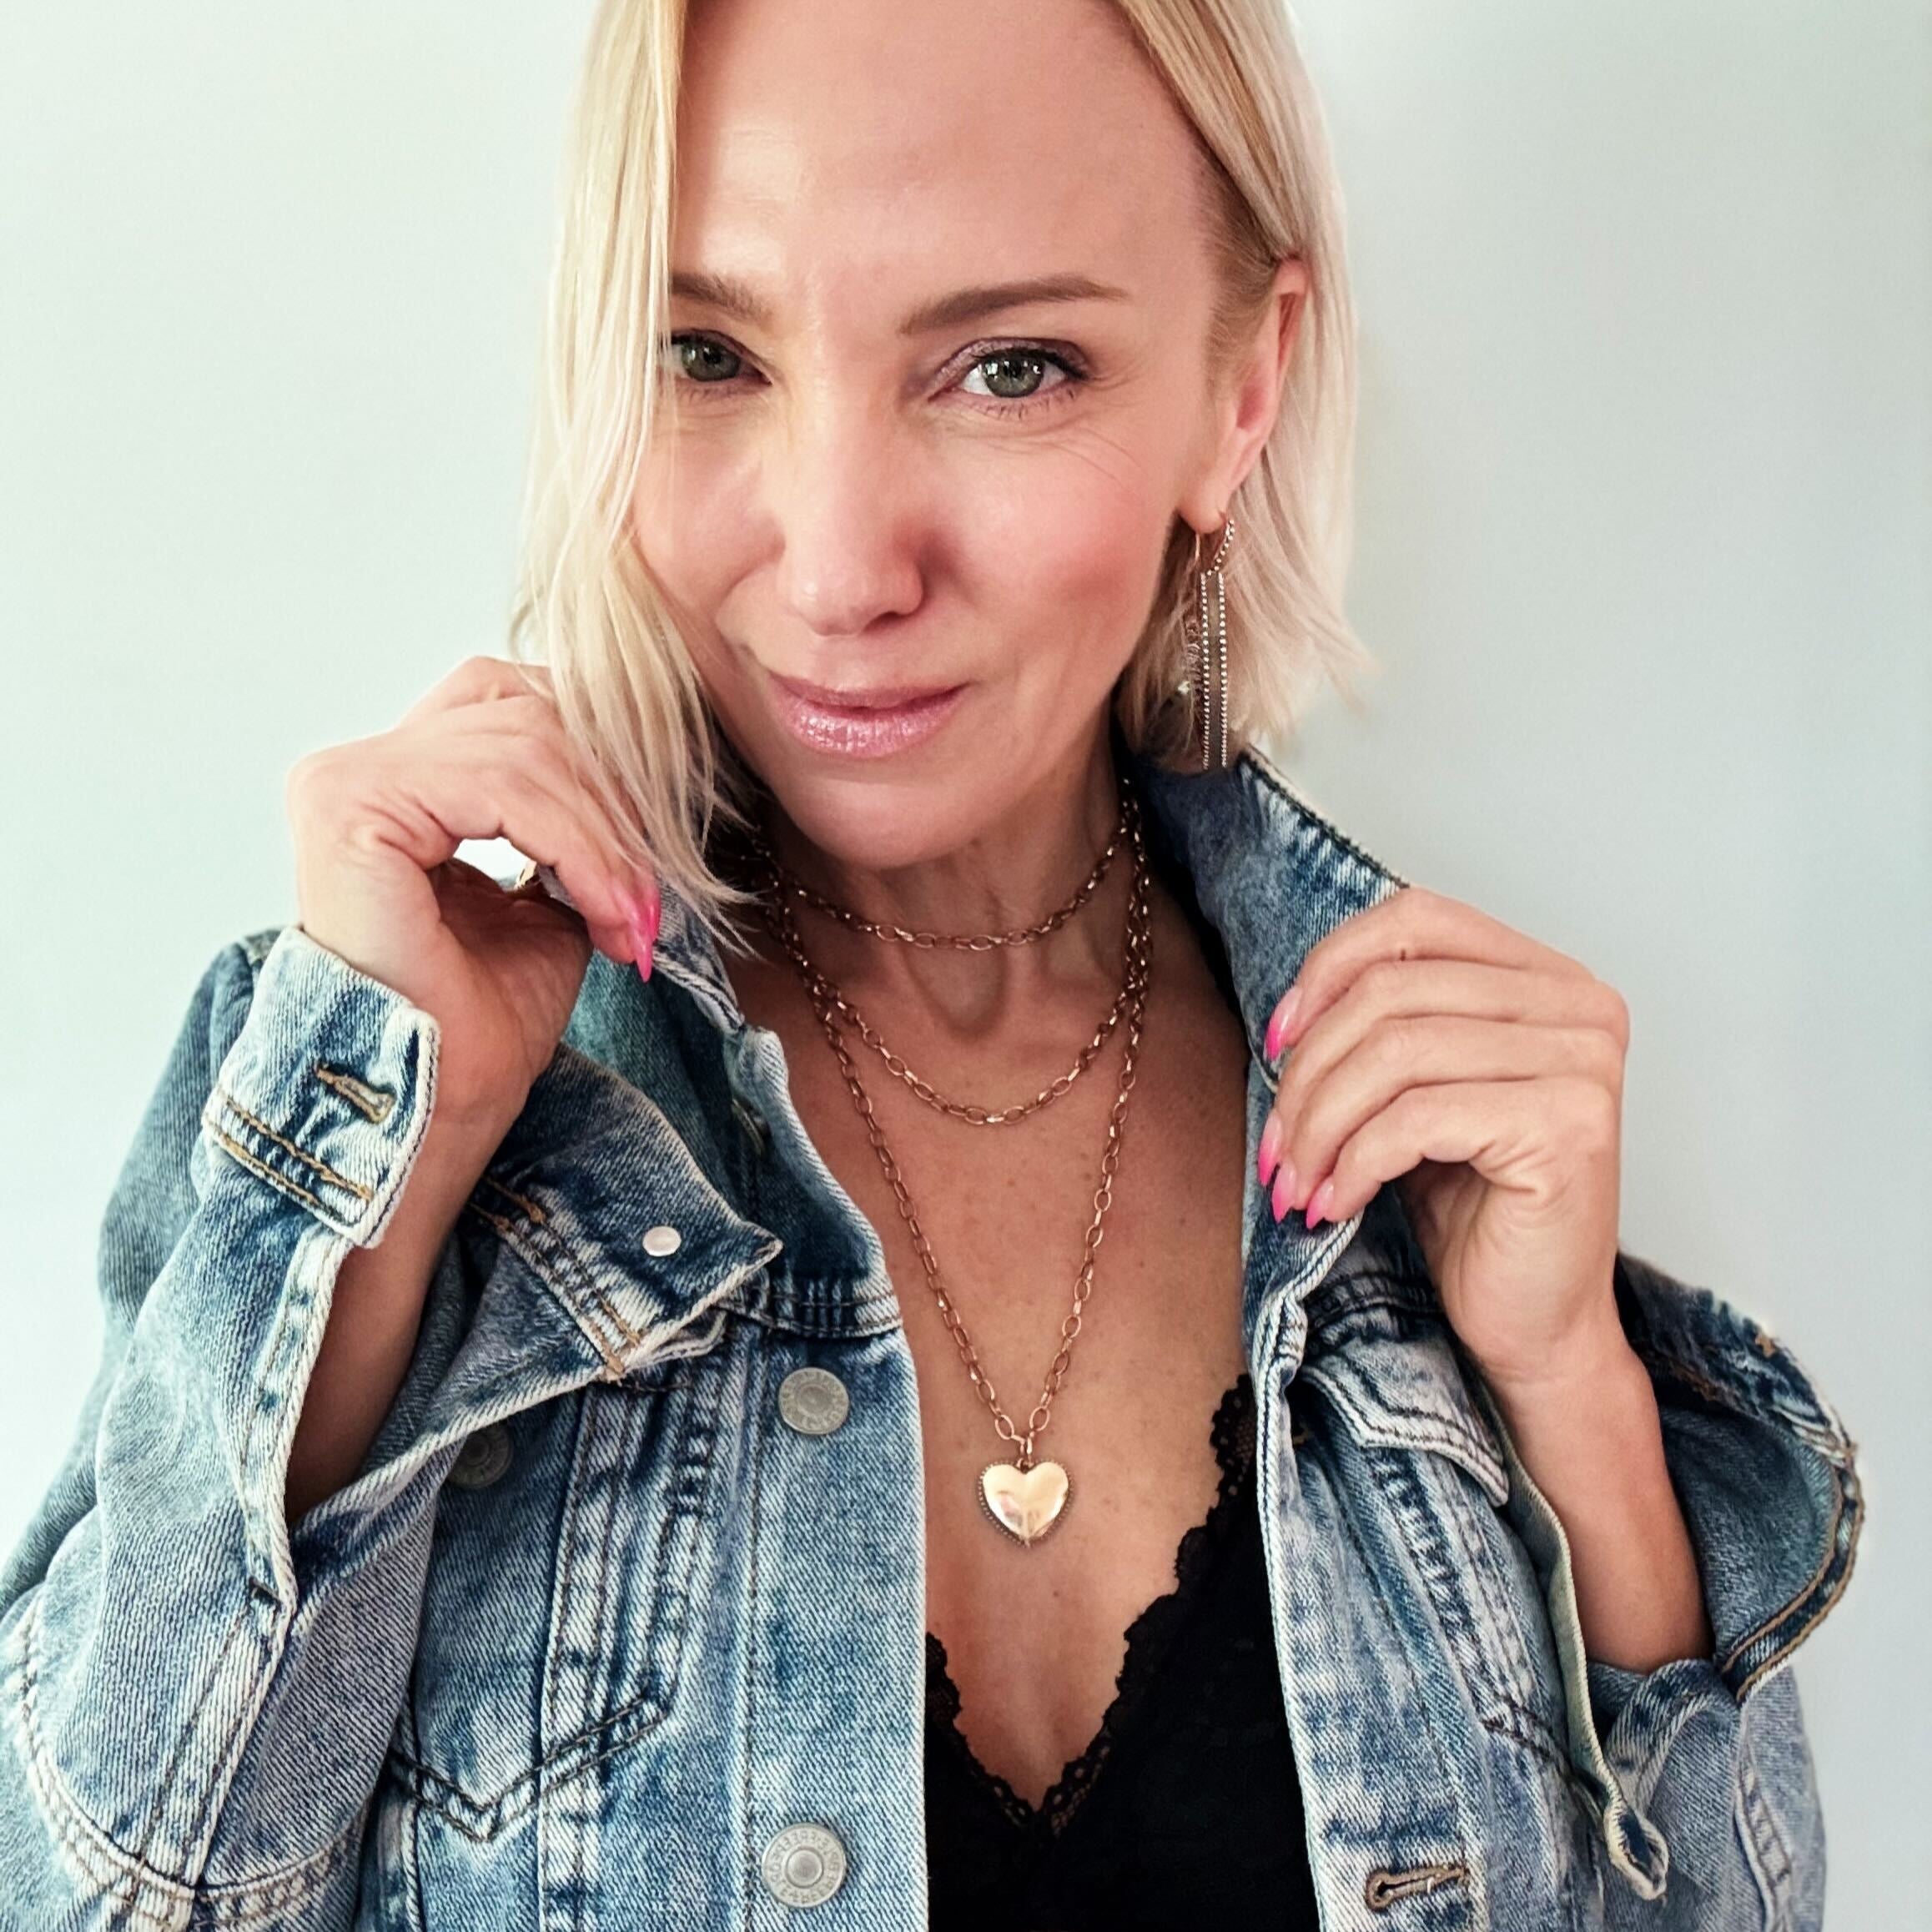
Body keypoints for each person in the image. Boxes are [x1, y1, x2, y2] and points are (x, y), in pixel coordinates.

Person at [0, 0, 1860, 1925]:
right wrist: (378, 1191)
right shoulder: (407, 1089)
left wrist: (1572, 1387)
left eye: (1007, 367)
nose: (836, 565)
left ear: (1242, 393)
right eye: (708, 352)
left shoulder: (1426, 1169)